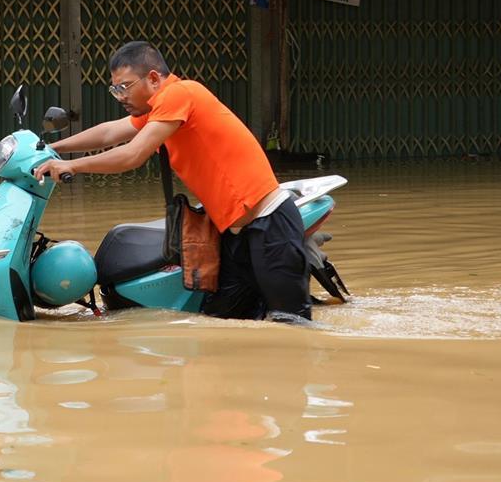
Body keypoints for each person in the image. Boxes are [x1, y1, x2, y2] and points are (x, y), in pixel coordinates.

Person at [32, 41, 311, 323]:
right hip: (234, 235)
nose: (120, 97)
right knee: (220, 321)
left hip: (269, 223)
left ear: (153, 78)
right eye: (115, 89)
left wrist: (72, 165)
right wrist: (52, 148)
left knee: (291, 323)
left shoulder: (179, 93)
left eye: (124, 87)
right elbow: (109, 133)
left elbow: (133, 154)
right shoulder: (159, 111)